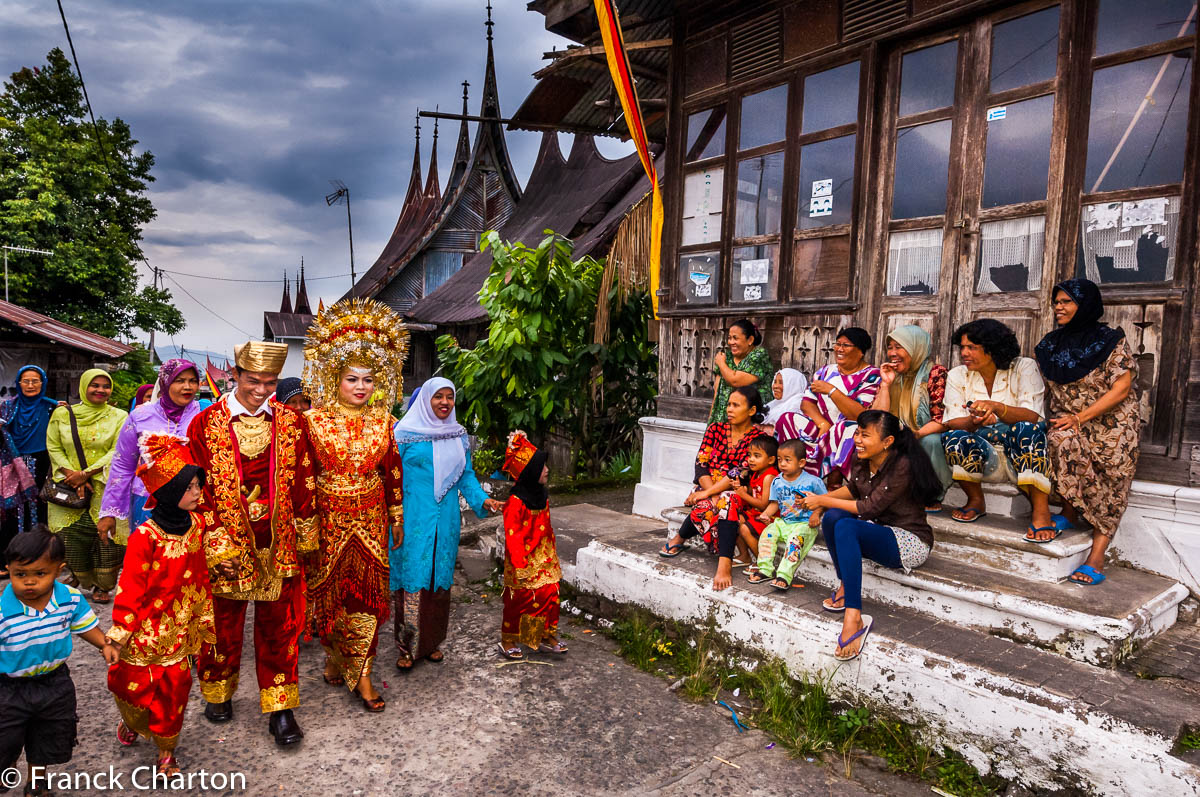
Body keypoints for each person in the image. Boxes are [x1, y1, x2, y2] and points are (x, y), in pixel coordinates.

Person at [187, 340, 316, 746]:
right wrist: (213, 538)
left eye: (270, 383)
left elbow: (305, 481)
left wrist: (306, 536)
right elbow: (196, 487)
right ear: (235, 376)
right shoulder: (205, 424)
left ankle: (280, 708)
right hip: (225, 543)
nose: (261, 390)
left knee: (280, 628)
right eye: (253, 381)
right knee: (222, 626)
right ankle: (218, 692)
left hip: (278, 544)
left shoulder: (292, 423)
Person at [302, 298, 407, 711]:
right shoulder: (312, 422)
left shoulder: (385, 421)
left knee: (364, 599)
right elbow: (303, 477)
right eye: (352, 379)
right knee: (329, 597)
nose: (361, 387)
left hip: (370, 518)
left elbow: (392, 470)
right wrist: (305, 524)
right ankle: (333, 655)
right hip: (327, 520)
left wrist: (396, 515)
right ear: (334, 379)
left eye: (368, 379)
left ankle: (362, 674)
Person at [107, 433, 215, 776]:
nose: (198, 493)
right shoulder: (145, 536)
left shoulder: (198, 524)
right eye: (190, 488)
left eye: (199, 485)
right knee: (133, 687)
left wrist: (226, 560)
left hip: (181, 631)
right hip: (146, 630)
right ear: (168, 491)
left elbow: (211, 552)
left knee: (175, 692)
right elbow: (130, 586)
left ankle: (166, 751)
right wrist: (120, 631)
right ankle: (134, 721)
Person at [802, 410, 940, 660]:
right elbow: (853, 490)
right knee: (833, 518)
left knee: (845, 525)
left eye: (865, 435)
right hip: (878, 529)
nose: (857, 439)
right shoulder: (862, 458)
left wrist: (822, 499)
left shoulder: (902, 465)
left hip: (908, 540)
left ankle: (853, 616)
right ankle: (845, 584)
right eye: (857, 433)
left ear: (887, 442)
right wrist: (817, 503)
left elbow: (868, 508)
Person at [390, 377, 502, 670]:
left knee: (440, 583)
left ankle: (431, 644)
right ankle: (408, 646)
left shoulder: (457, 435)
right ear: (426, 399)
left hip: (447, 521)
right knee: (413, 581)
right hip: (413, 519)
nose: (444, 402)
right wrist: (392, 516)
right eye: (437, 396)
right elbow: (391, 478)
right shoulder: (403, 434)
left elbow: (465, 475)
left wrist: (483, 500)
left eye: (449, 397)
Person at [1035, 279, 1139, 585]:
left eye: (1066, 301)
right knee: (1059, 444)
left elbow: (1121, 389)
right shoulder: (1050, 344)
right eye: (1056, 301)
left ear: (1086, 304)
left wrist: (1081, 417)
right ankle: (1069, 510)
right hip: (1070, 421)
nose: (1058, 307)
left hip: (1113, 426)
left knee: (1111, 484)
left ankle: (1097, 555)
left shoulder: (1110, 341)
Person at [0, 529, 118, 793]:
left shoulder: (69, 598)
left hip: (55, 682)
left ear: (58, 570)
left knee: (47, 735)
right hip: (8, 689)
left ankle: (37, 782)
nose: (29, 583)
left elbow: (83, 625)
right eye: (21, 574)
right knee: (5, 739)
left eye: (39, 574)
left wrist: (103, 644)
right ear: (8, 569)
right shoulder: (1, 610)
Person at [940, 320, 1051, 537]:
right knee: (954, 437)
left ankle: (1041, 512)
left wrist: (998, 408)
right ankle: (975, 500)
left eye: (971, 347)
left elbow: (1033, 415)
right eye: (962, 347)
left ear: (993, 348)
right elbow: (952, 420)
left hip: (1018, 451)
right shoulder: (957, 375)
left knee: (1027, 429)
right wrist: (975, 421)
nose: (964, 353)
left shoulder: (1023, 367)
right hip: (983, 453)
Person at [660, 387, 769, 586]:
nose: (729, 409)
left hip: (738, 492)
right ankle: (681, 538)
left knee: (723, 501)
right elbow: (701, 464)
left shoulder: (757, 439)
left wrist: (708, 494)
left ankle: (724, 563)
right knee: (710, 505)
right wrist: (710, 495)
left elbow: (740, 473)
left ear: (752, 410)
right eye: (729, 404)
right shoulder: (715, 429)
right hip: (708, 486)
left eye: (736, 405)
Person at [45, 369, 127, 604]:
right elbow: (53, 445)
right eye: (95, 385)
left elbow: (118, 450)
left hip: (107, 487)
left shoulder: (120, 416)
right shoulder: (62, 414)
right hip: (68, 486)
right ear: (83, 386)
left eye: (105, 386)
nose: (101, 390)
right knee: (70, 541)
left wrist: (87, 474)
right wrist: (71, 475)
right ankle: (82, 577)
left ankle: (104, 585)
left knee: (109, 541)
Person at [100, 359, 203, 540]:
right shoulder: (140, 416)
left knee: (188, 562)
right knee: (150, 560)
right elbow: (123, 466)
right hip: (147, 502)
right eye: (180, 381)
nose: (188, 387)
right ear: (165, 382)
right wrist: (109, 511)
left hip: (195, 502)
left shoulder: (204, 414)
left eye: (192, 381)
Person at [497, 431, 565, 660]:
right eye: (542, 467)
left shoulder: (541, 496)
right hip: (522, 559)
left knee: (550, 593)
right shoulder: (515, 503)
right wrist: (521, 565)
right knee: (522, 599)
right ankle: (508, 639)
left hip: (543, 555)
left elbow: (548, 528)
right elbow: (513, 537)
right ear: (530, 472)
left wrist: (551, 555)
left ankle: (540, 636)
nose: (546, 470)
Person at [870, 326, 951, 510]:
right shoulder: (891, 374)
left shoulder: (936, 373)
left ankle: (931, 495)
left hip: (925, 433)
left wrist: (916, 434)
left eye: (899, 347)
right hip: (899, 434)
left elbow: (943, 419)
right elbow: (876, 418)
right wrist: (885, 384)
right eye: (890, 347)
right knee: (869, 436)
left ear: (917, 347)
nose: (892, 353)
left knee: (932, 441)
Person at [796, 328, 881, 481]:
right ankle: (795, 477)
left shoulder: (872, 375)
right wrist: (822, 423)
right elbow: (807, 402)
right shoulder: (826, 371)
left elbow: (860, 414)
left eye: (846, 345)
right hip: (822, 428)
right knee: (788, 419)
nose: (839, 349)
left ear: (861, 351)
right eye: (838, 344)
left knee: (845, 429)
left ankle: (837, 482)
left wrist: (831, 391)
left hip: (850, 429)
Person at [0, 366, 58, 569]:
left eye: (35, 381)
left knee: (41, 508)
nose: (31, 385)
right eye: (26, 381)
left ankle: (39, 557)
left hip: (43, 464)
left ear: (43, 383)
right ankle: (10, 559)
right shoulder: (7, 408)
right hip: (11, 466)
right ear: (18, 383)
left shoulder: (53, 408)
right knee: (12, 510)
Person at [752, 439, 826, 591]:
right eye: (779, 460)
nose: (782, 464)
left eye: (787, 460)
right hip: (784, 522)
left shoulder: (813, 482)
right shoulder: (777, 481)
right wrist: (766, 514)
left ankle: (784, 576)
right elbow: (774, 503)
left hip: (804, 524)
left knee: (795, 542)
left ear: (801, 463)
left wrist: (816, 514)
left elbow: (825, 501)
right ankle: (765, 569)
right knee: (767, 533)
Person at [708, 319, 774, 425]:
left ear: (750, 340)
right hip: (722, 422)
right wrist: (711, 424)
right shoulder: (727, 358)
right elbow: (717, 394)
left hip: (750, 423)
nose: (731, 342)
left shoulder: (759, 356)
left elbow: (735, 381)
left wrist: (720, 363)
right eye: (729, 338)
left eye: (735, 338)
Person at [730, 436, 779, 580]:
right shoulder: (756, 473)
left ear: (770, 460)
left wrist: (742, 494)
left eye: (757, 456)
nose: (751, 459)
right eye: (750, 455)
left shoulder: (769, 476)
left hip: (769, 517)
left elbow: (764, 504)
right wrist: (742, 489)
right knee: (735, 519)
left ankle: (762, 562)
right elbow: (754, 492)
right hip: (755, 512)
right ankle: (745, 555)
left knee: (745, 529)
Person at [763, 368, 808, 440]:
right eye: (775, 382)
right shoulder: (774, 404)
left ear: (793, 385)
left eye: (781, 382)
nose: (775, 386)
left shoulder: (798, 405)